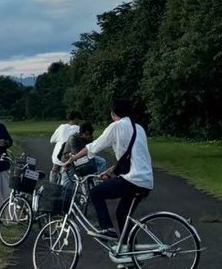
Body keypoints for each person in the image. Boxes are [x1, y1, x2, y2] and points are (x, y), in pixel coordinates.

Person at [62, 99, 152, 246]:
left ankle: (107, 229)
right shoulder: (138, 129)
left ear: (113, 113)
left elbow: (93, 147)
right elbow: (131, 158)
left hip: (133, 179)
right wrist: (112, 171)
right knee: (122, 214)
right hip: (145, 181)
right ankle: (130, 252)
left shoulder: (116, 126)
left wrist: (71, 160)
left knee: (95, 193)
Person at [59, 122, 106, 187]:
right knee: (67, 185)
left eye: (91, 134)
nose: (89, 136)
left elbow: (91, 150)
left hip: (83, 158)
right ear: (81, 133)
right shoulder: (73, 138)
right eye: (87, 134)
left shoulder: (89, 138)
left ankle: (97, 179)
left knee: (102, 162)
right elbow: (76, 154)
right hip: (70, 160)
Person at [50, 114, 80, 181]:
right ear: (76, 119)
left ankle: (52, 186)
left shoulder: (62, 127)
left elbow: (52, 140)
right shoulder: (78, 129)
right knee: (66, 173)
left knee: (55, 170)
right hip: (69, 155)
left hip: (58, 155)